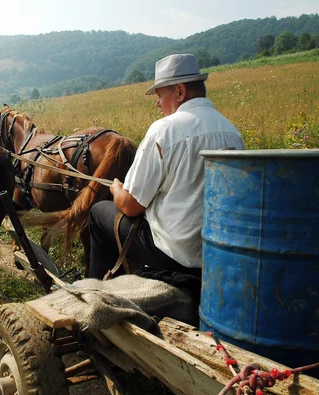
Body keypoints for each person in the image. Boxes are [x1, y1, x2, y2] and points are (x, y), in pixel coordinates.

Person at [87, 54, 245, 317]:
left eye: (160, 95)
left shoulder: (164, 130)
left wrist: (116, 190)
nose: (158, 104)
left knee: (98, 213)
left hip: (175, 255)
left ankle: (94, 299)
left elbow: (131, 206)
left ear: (180, 91)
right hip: (214, 255)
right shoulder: (231, 131)